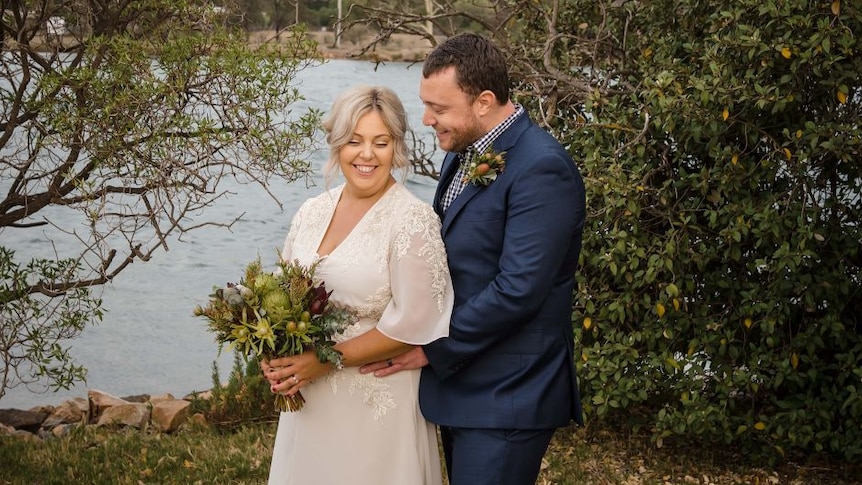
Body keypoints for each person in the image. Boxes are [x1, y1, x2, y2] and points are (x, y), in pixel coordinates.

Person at [360, 33, 586, 485]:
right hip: (463, 385)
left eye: (438, 109)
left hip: (510, 390)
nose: (426, 120)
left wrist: (431, 347)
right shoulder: (463, 152)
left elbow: (518, 289)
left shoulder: (543, 168)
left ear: (483, 101)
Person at [262, 85, 453, 485]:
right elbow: (283, 297)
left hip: (375, 399)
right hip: (310, 401)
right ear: (337, 145)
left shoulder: (411, 220)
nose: (366, 155)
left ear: (396, 148)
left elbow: (416, 325)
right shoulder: (312, 211)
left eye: (380, 143)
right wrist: (276, 353)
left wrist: (323, 359)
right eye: (354, 141)